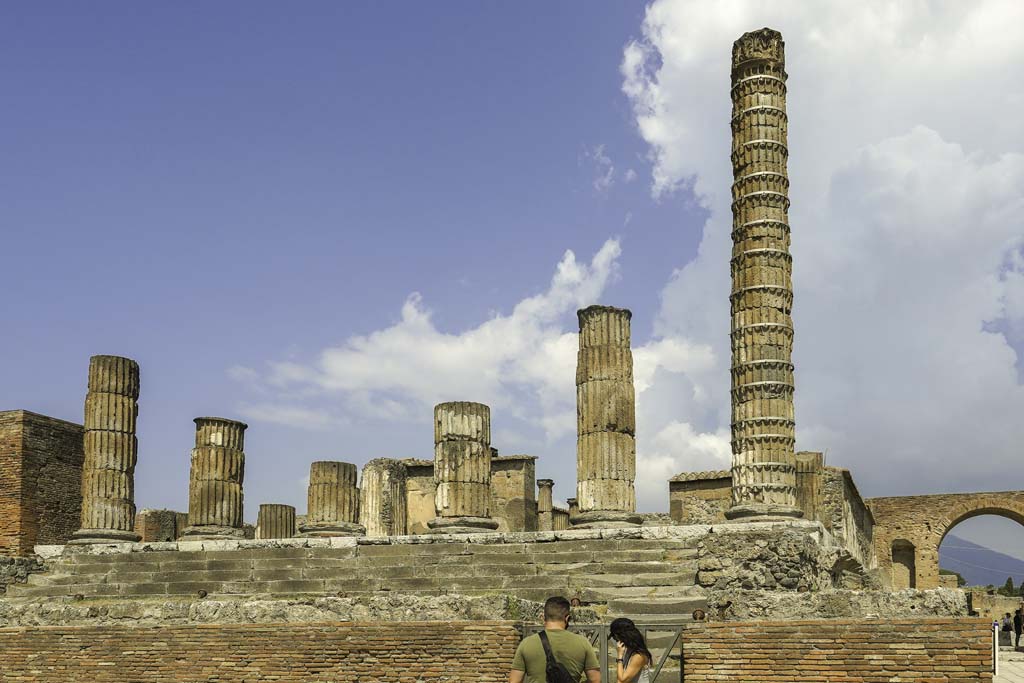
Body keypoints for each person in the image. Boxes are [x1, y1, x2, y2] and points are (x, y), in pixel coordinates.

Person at [510, 596, 601, 683]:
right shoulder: (583, 643)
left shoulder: (526, 644)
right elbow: (595, 680)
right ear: (567, 618)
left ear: (543, 617)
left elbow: (514, 681)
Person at [610, 617, 653, 683]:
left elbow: (622, 680)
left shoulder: (639, 656)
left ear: (622, 636)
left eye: (614, 636)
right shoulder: (627, 650)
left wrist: (619, 657)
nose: (615, 640)